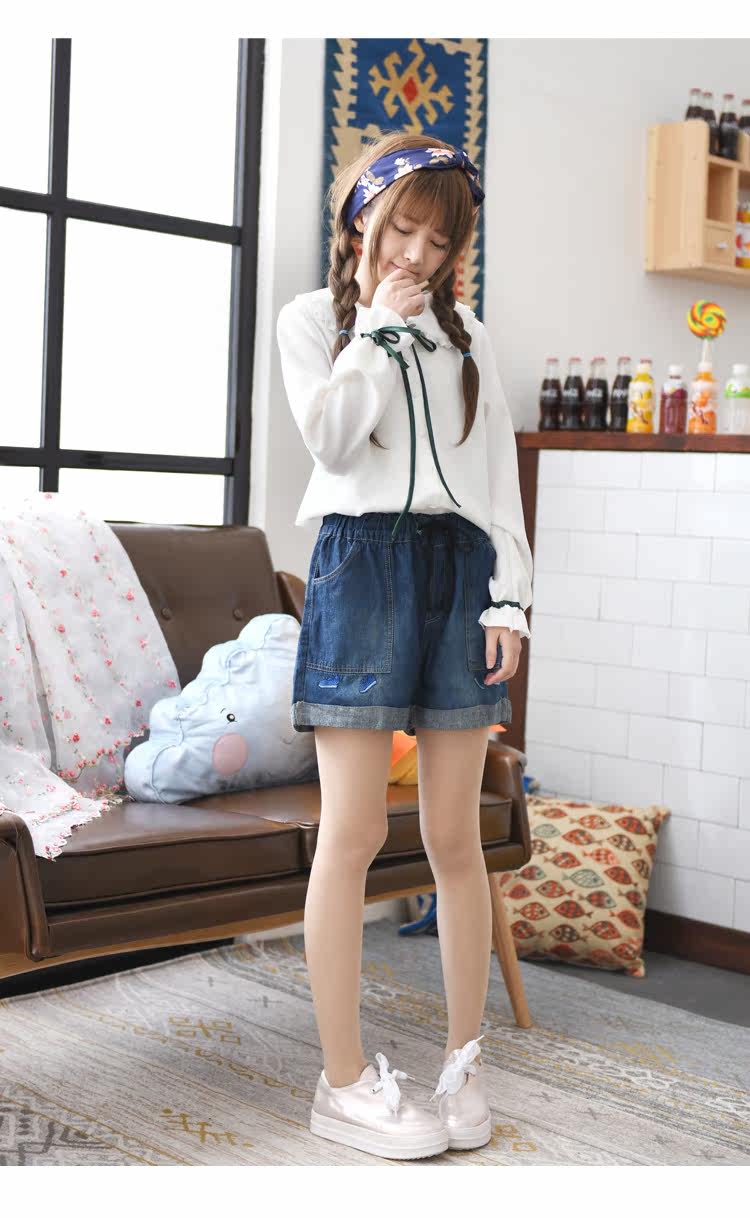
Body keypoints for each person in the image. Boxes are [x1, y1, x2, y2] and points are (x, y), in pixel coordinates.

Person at [275, 131, 533, 1161]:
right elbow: (332, 442)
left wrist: (510, 600)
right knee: (351, 835)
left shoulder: (471, 338)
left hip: (461, 574)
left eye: (439, 241)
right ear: (362, 221)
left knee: (454, 837)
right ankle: (342, 1082)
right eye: (403, 231)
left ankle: (463, 1064)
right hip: (361, 568)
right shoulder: (314, 322)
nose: (418, 257)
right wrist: (378, 332)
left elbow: (499, 472)